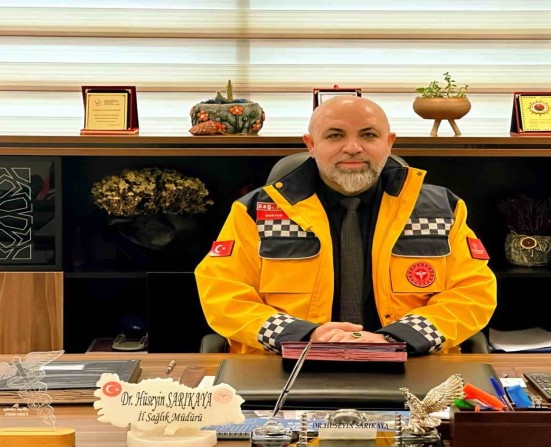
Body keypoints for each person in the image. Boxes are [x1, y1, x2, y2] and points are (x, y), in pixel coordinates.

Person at [195, 96, 496, 355]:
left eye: (368, 135)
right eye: (335, 136)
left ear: (389, 143)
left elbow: (472, 293)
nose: (353, 147)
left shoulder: (442, 209)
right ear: (311, 145)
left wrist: (397, 338)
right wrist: (304, 335)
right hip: (289, 362)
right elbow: (223, 294)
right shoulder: (255, 211)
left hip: (412, 362)